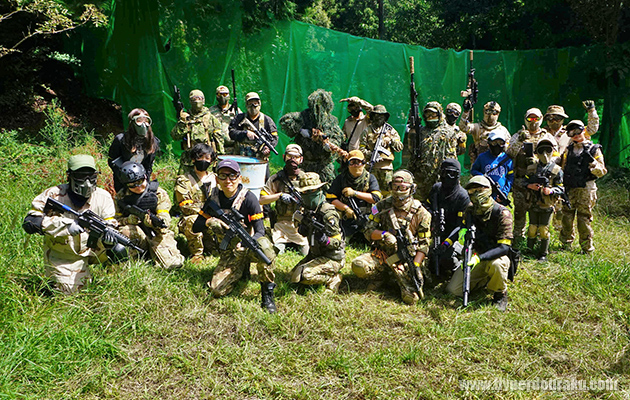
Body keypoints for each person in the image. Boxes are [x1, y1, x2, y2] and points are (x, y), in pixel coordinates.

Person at [22, 155, 118, 294]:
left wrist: (109, 236)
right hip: (64, 254)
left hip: (93, 249)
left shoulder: (103, 196)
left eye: (91, 176)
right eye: (80, 176)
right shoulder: (54, 194)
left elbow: (110, 222)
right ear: (69, 176)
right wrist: (65, 225)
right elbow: (30, 222)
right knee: (69, 292)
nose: (86, 182)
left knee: (121, 246)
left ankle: (111, 277)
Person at [192, 159, 278, 312]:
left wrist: (246, 244)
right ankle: (241, 270)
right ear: (217, 178)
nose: (228, 180)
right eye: (223, 176)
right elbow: (196, 226)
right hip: (229, 253)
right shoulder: (213, 199)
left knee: (266, 250)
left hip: (247, 247)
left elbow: (260, 230)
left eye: (232, 176)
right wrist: (211, 221)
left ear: (239, 178)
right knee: (217, 290)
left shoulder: (249, 198)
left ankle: (267, 294)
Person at [351, 170, 431, 304]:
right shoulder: (381, 206)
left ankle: (396, 279)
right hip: (383, 255)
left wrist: (415, 265)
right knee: (359, 266)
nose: (398, 191)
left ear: (411, 189)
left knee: (411, 299)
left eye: (403, 187)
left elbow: (424, 244)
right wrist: (384, 235)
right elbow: (368, 230)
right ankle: (381, 277)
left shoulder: (422, 213)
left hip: (406, 260)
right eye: (395, 186)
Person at [445, 176, 513, 311]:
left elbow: (504, 247)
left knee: (498, 265)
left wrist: (479, 258)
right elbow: (463, 226)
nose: (475, 194)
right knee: (453, 290)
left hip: (496, 255)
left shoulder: (502, 213)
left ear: (488, 190)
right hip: (476, 253)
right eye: (472, 191)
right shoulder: (470, 210)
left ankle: (500, 293)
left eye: (479, 190)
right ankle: (485, 279)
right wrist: (463, 233)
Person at [114, 162, 184, 269]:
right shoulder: (121, 197)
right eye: (132, 185)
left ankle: (153, 253)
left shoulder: (158, 193)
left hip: (157, 233)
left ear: (145, 177)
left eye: (140, 181)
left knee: (171, 265)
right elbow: (115, 221)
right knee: (125, 231)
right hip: (136, 234)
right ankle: (136, 257)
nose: (138, 187)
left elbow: (165, 219)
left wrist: (154, 223)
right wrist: (128, 220)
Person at [506, 108, 557, 245]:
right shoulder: (518, 135)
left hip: (540, 181)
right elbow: (509, 153)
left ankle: (540, 241)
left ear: (541, 119)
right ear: (525, 119)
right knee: (519, 213)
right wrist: (519, 141)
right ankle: (518, 240)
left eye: (536, 118)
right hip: (521, 180)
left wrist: (539, 160)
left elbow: (555, 158)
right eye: (530, 118)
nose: (533, 122)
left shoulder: (547, 137)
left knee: (541, 213)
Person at [290, 172, 345, 293]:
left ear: (319, 190)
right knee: (292, 277)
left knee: (305, 276)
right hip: (315, 254)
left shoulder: (327, 213)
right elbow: (304, 231)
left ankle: (333, 278)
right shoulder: (309, 209)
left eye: (311, 191)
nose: (307, 194)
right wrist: (303, 228)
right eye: (304, 192)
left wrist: (326, 240)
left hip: (332, 257)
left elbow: (337, 242)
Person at [560, 120, 607, 254]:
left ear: (583, 130)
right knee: (567, 217)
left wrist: (593, 164)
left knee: (583, 219)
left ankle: (586, 248)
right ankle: (566, 244)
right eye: (571, 132)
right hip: (570, 187)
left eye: (578, 131)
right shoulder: (569, 149)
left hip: (586, 188)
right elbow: (563, 167)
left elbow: (602, 171)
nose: (575, 135)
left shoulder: (594, 149)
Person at [280, 89, 346, 183]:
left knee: (327, 188)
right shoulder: (304, 116)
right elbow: (285, 121)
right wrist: (300, 130)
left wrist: (327, 145)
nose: (318, 110)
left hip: (323, 167)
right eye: (315, 106)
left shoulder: (331, 121)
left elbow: (336, 137)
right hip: (305, 165)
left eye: (321, 106)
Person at [259, 144, 308, 255]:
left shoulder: (306, 179)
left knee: (305, 252)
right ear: (284, 157)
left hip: (300, 226)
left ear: (301, 159)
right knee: (278, 250)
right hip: (281, 226)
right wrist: (279, 195)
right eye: (289, 156)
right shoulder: (277, 179)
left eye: (296, 157)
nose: (292, 160)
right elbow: (261, 199)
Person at [174, 143, 218, 264]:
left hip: (213, 217)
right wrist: (204, 214)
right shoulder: (184, 180)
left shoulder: (216, 178)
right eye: (200, 157)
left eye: (207, 158)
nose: (204, 160)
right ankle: (197, 253)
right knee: (192, 220)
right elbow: (185, 206)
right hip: (194, 217)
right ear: (193, 159)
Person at [425, 159, 470, 278]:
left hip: (455, 236)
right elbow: (426, 206)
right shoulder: (436, 189)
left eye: (453, 174)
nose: (449, 177)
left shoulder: (463, 196)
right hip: (435, 232)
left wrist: (446, 243)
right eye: (446, 173)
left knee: (447, 259)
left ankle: (458, 268)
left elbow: (460, 226)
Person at [327, 150, 382, 244]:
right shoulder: (341, 178)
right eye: (352, 162)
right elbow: (331, 198)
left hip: (366, 217)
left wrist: (354, 193)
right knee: (341, 241)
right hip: (347, 218)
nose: (355, 165)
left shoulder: (370, 178)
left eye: (358, 162)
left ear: (363, 164)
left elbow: (375, 198)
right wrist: (346, 209)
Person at [407, 102, 459, 201]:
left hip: (439, 177)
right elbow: (413, 152)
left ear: (439, 114)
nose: (430, 117)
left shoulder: (448, 132)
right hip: (421, 177)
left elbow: (452, 156)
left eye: (433, 114)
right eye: (428, 115)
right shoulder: (421, 132)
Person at [523, 138, 564, 260]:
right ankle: (529, 251)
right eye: (542, 151)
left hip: (547, 204)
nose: (545, 154)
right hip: (533, 202)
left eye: (548, 150)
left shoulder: (556, 170)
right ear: (537, 153)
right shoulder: (531, 168)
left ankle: (543, 253)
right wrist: (529, 185)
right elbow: (522, 181)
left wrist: (551, 191)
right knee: (532, 228)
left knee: (543, 229)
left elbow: (561, 188)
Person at [108, 108, 160, 193]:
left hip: (141, 181)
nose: (143, 124)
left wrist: (145, 183)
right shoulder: (121, 140)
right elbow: (112, 161)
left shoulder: (153, 142)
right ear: (132, 123)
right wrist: (124, 178)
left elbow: (148, 166)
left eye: (146, 121)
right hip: (122, 182)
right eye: (139, 121)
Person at [171, 89, 223, 172]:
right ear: (190, 101)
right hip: (188, 161)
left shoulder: (211, 118)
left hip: (206, 160)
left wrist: (218, 158)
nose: (197, 101)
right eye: (194, 98)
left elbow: (219, 140)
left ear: (203, 101)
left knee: (207, 179)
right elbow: (175, 136)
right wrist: (182, 122)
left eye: (199, 98)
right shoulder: (186, 117)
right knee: (184, 180)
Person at [359, 105, 403, 197]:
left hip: (386, 168)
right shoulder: (367, 131)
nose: (378, 118)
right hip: (372, 167)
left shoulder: (390, 131)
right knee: (372, 191)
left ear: (385, 117)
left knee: (388, 192)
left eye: (381, 115)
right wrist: (371, 154)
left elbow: (399, 147)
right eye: (376, 115)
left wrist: (390, 140)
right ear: (372, 117)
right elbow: (361, 149)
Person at [229, 91, 279, 165]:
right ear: (246, 104)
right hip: (240, 158)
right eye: (250, 103)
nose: (253, 106)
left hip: (260, 159)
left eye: (255, 103)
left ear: (259, 104)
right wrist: (245, 133)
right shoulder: (239, 118)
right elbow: (231, 133)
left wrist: (267, 148)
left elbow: (274, 137)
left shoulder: (267, 120)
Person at [459, 101, 510, 165]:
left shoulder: (502, 130)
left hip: (496, 164)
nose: (490, 115)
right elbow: (463, 127)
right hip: (478, 164)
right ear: (484, 112)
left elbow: (509, 149)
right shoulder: (477, 127)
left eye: (494, 112)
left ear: (498, 114)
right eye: (487, 111)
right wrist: (466, 112)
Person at [470, 129, 514, 204]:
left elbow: (510, 178)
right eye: (494, 143)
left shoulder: (507, 159)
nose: (497, 146)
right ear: (489, 144)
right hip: (484, 194)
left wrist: (505, 192)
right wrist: (483, 177)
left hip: (499, 196)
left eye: (500, 143)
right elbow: (473, 170)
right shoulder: (482, 157)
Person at [209, 85, 241, 155]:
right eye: (219, 94)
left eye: (225, 94)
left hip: (233, 148)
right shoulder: (211, 111)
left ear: (229, 96)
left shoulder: (235, 110)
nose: (222, 97)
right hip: (216, 147)